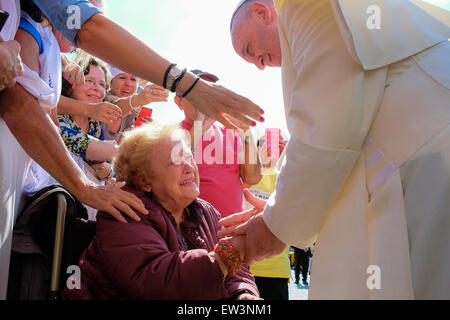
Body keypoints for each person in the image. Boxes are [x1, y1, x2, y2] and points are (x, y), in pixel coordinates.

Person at [220, 0, 450, 299]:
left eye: (250, 50)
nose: (260, 65)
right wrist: (281, 208)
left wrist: (274, 226)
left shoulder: (301, 6)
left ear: (263, 12)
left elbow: (326, 127)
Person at [63, 122, 260, 300]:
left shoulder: (205, 210)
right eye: (176, 160)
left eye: (189, 157)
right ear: (144, 180)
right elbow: (158, 282)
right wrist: (231, 252)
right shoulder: (124, 210)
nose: (190, 167)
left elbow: (237, 272)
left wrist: (243, 295)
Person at [176, 69, 262, 218]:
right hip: (195, 230)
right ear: (179, 102)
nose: (205, 100)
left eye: (210, 94)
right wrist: (197, 132)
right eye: (196, 94)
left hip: (234, 228)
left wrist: (246, 133)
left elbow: (252, 178)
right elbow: (169, 180)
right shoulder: (170, 134)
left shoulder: (230, 132)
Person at [243, 135, 290, 300]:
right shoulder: (246, 177)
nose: (269, 148)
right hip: (243, 268)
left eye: (276, 144)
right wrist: (258, 166)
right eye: (263, 144)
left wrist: (289, 155)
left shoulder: (285, 177)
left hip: (276, 269)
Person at [103, 64, 168, 142]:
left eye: (133, 79)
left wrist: (144, 132)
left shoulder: (132, 113)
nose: (129, 84)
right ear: (110, 82)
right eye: (122, 77)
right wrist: (138, 100)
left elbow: (121, 145)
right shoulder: (100, 101)